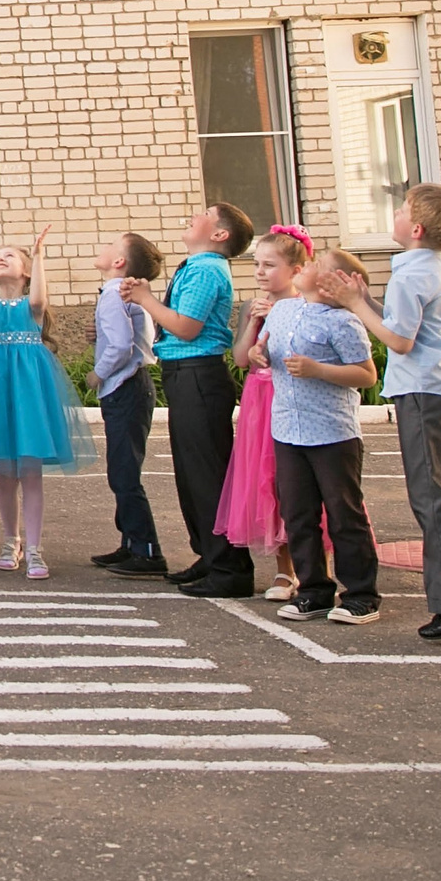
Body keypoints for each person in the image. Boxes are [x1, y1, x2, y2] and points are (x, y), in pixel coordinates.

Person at [324, 183, 441, 641]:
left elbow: (399, 340)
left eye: (403, 209)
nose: (396, 213)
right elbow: (410, 324)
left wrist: (355, 304)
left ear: (415, 227)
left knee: (434, 498)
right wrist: (367, 300)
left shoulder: (410, 272)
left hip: (425, 393)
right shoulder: (437, 265)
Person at [123, 200, 258, 598]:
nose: (193, 216)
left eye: (205, 215)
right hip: (186, 375)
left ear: (219, 235)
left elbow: (185, 327)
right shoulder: (196, 266)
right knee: (191, 474)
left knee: (207, 475)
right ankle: (210, 554)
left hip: (198, 374)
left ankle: (230, 568)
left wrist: (147, 300)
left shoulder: (206, 268)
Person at [264, 247, 382, 626]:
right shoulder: (283, 310)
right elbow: (261, 349)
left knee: (344, 513)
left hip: (332, 431)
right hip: (287, 428)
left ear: (334, 283)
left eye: (317, 266)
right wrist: (257, 352)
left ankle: (361, 594)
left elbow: (366, 375)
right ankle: (313, 589)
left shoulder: (343, 322)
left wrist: (318, 369)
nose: (307, 267)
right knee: (298, 513)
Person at [0, 220, 93, 580]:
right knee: (5, 474)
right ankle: (12, 540)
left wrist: (39, 255)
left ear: (25, 273)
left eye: (10, 256)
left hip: (29, 390)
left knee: (30, 470)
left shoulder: (31, 306)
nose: (1, 259)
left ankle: (35, 548)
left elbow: (40, 297)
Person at [221, 228, 311, 601]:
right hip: (260, 400)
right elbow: (242, 357)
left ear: (295, 270)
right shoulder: (252, 307)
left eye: (269, 265)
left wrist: (279, 318)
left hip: (292, 397)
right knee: (267, 483)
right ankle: (284, 569)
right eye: (257, 264)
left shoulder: (307, 304)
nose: (260, 272)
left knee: (299, 483)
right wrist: (255, 329)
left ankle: (314, 568)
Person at [88, 234, 167, 578]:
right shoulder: (125, 293)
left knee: (124, 472)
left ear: (119, 262)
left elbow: (121, 346)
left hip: (125, 386)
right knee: (121, 469)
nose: (102, 247)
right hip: (133, 387)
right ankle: (131, 543)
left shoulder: (113, 292)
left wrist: (96, 373)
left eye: (110, 245)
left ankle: (147, 550)